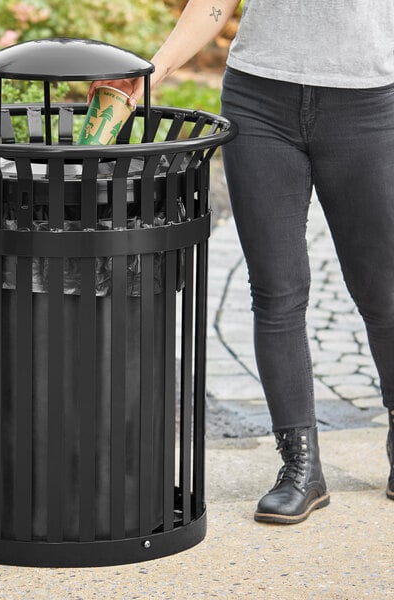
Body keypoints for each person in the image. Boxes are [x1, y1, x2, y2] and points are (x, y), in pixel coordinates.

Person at [89, 0, 394, 523]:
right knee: (276, 290)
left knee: (382, 290)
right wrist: (153, 72)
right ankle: (301, 466)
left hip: (368, 106)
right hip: (259, 102)